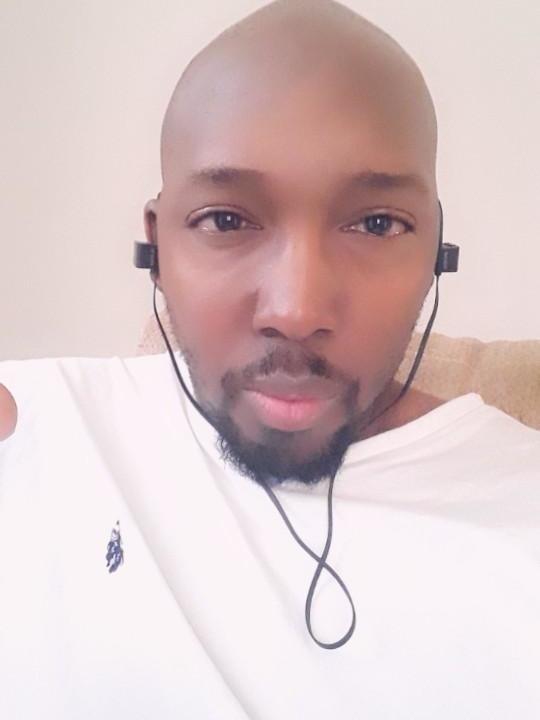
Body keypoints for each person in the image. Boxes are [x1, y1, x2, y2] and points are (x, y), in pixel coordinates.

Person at [1, 1, 539, 718]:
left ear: (437, 253)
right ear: (156, 247)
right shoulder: (37, 427)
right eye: (226, 220)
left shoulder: (520, 508)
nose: (295, 309)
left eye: (376, 223)